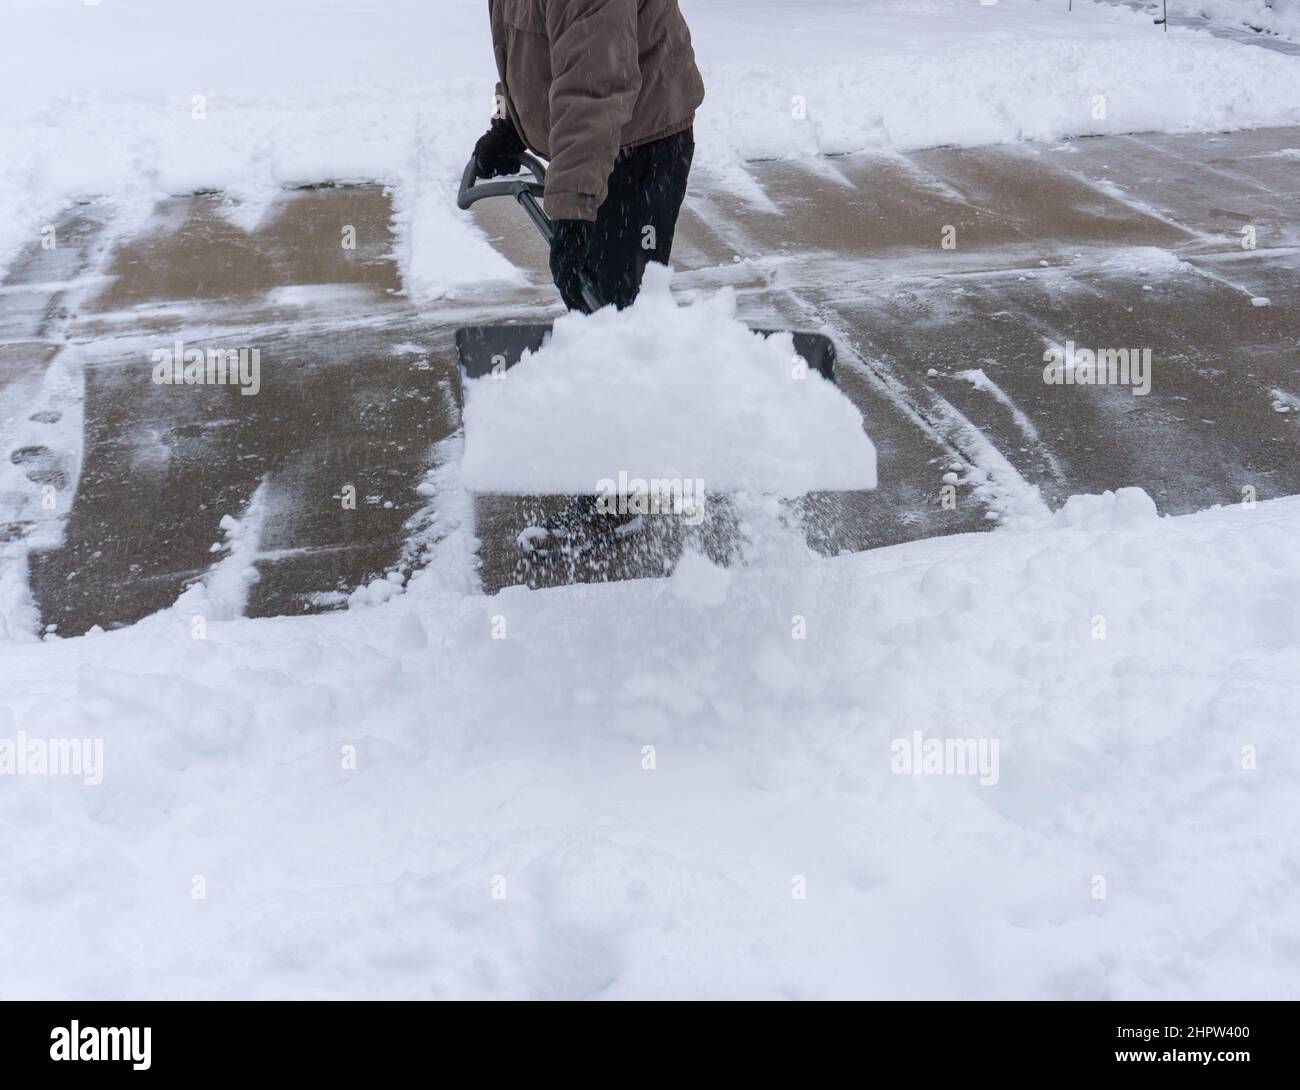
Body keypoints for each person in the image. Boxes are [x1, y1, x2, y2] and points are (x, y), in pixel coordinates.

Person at [473, 0, 705, 313]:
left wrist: (574, 211)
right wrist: (508, 122)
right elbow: (524, 48)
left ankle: (640, 354)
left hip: (642, 143)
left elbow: (593, 88)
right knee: (595, 303)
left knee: (615, 309)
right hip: (596, 137)